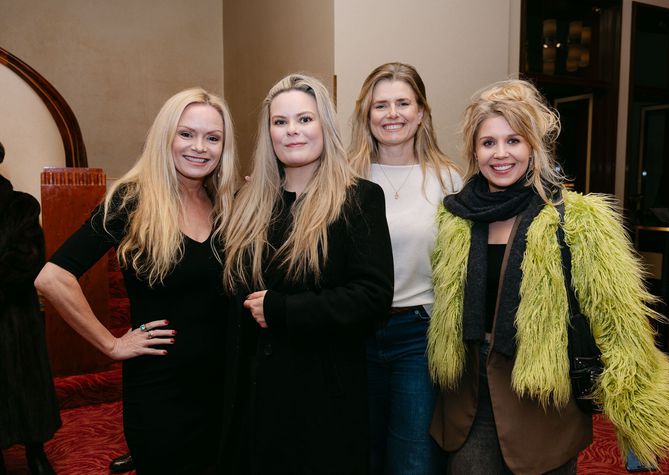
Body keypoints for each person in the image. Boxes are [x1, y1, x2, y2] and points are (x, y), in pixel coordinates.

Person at [426, 79, 669, 474]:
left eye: (513, 140)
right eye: (488, 143)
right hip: (469, 399)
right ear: (474, 151)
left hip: (544, 400)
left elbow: (618, 319)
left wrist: (637, 414)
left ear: (534, 147)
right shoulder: (455, 218)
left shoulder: (579, 219)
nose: (500, 153)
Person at [35, 88, 239, 474]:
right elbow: (53, 277)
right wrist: (110, 344)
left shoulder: (226, 204)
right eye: (186, 134)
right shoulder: (131, 201)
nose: (200, 147)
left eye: (213, 138)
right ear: (165, 137)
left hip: (223, 384)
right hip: (160, 390)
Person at [219, 73, 394, 474]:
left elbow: (372, 296)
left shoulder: (358, 198)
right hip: (257, 394)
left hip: (323, 391)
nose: (292, 131)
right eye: (280, 122)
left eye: (304, 119)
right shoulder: (249, 201)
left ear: (324, 126)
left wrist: (282, 310)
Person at [348, 62, 461, 474]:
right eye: (381, 105)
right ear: (367, 114)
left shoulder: (448, 181)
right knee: (360, 450)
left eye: (403, 103)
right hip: (354, 330)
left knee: (413, 457)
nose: (392, 114)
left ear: (421, 112)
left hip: (418, 333)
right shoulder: (344, 177)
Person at [0, 141, 61, 475]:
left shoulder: (20, 206)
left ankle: (36, 452)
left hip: (15, 314)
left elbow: (27, 258)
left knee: (26, 385)